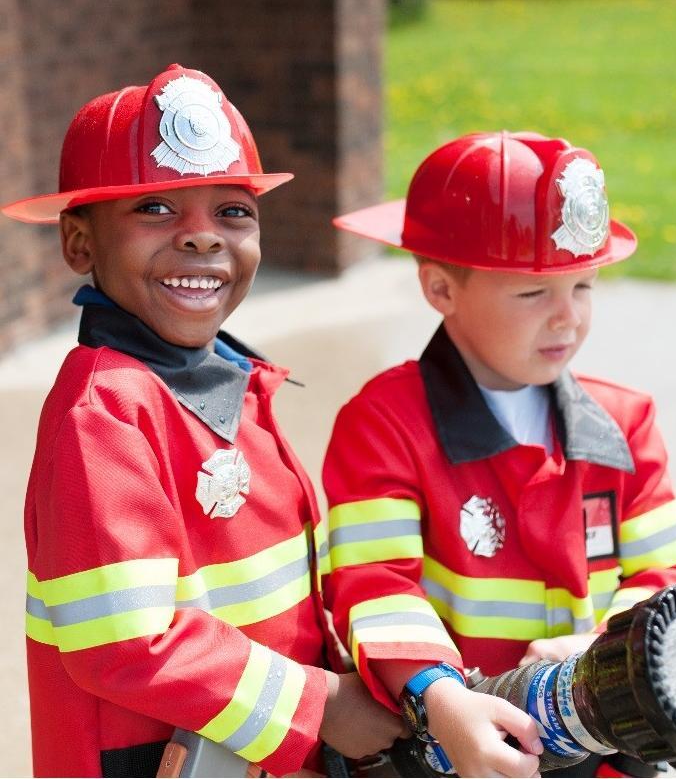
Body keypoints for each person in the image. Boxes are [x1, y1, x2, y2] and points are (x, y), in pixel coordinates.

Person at [4, 64, 404, 778]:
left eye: (233, 211)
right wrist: (319, 707)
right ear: (78, 244)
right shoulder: (106, 413)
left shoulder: (230, 381)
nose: (201, 238)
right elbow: (126, 642)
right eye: (155, 209)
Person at [322, 131, 676, 777]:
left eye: (583, 287)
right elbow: (375, 587)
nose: (567, 319)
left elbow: (673, 578)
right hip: (458, 750)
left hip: (604, 747)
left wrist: (600, 650)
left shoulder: (624, 423)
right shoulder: (383, 425)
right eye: (533, 295)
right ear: (440, 290)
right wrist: (443, 702)